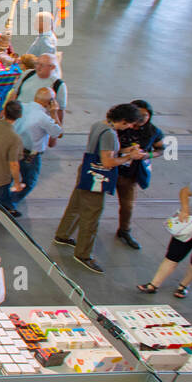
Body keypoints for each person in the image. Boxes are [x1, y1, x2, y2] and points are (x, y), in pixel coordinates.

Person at [53, 103, 145, 274]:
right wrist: (129, 157)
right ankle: (83, 254)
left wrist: (125, 150)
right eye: (131, 124)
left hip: (87, 171)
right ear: (124, 121)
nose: (131, 127)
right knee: (91, 215)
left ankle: (63, 234)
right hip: (97, 177)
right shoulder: (110, 134)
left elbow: (106, 150)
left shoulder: (99, 125)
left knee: (76, 205)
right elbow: (108, 161)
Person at [138, 174, 192, 299]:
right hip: (187, 227)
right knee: (172, 256)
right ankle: (153, 284)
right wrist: (185, 209)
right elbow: (185, 191)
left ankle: (184, 285)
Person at [114, 100, 165, 251]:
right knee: (94, 202)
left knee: (128, 205)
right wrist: (127, 151)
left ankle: (124, 230)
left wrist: (146, 155)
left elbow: (160, 150)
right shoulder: (120, 127)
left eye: (146, 115)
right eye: (139, 115)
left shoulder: (153, 131)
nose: (142, 119)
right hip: (111, 169)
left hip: (130, 175)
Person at [11, 86, 65, 209]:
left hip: (12, 148)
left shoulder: (21, 106)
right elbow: (58, 133)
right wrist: (54, 112)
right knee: (29, 182)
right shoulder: (43, 118)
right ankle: (9, 203)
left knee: (8, 176)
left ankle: (4, 198)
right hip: (30, 155)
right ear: (50, 102)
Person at [8, 53, 66, 126]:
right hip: (17, 121)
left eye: (42, 65)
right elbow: (15, 94)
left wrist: (55, 134)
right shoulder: (27, 74)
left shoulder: (58, 85)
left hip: (37, 127)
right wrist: (5, 112)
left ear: (52, 67)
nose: (38, 67)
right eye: (37, 63)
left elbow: (60, 112)